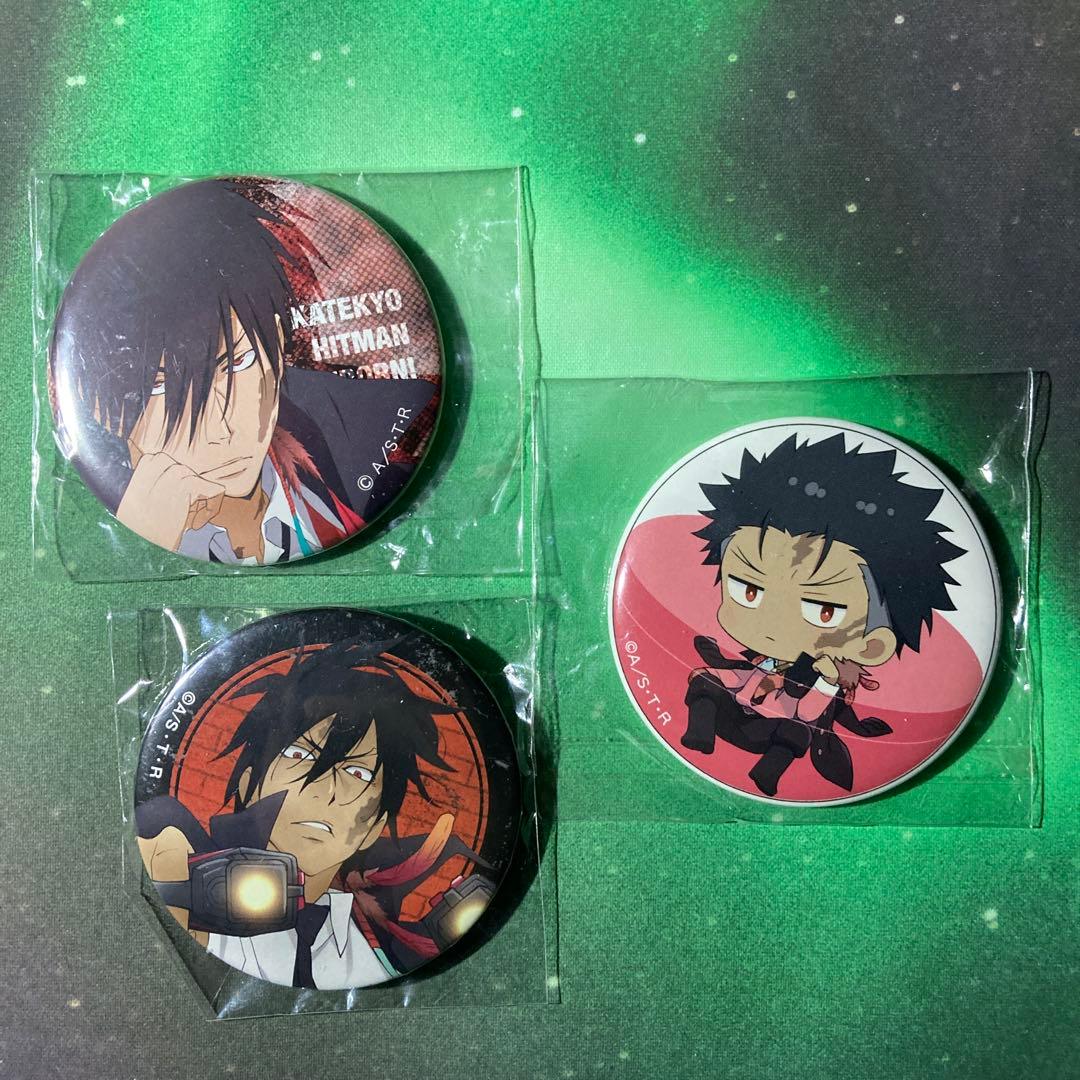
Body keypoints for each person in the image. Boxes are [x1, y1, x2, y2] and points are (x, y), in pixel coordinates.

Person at [50, 178, 435, 563]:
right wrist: (145, 520)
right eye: (161, 386)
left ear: (278, 344)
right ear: (100, 408)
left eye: (238, 362)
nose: (221, 428)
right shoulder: (111, 468)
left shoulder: (369, 446)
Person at [137, 640, 482, 989]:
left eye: (358, 773)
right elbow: (157, 820)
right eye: (300, 755)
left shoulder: (369, 955)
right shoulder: (195, 893)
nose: (325, 789)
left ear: (374, 827)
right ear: (247, 784)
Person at [681, 432, 966, 796]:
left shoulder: (819, 679)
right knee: (705, 682)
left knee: (798, 729)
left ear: (873, 645)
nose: (771, 626)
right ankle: (700, 732)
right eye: (747, 590)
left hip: (773, 733)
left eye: (823, 610)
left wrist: (829, 681)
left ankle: (769, 772)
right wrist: (711, 676)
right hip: (734, 718)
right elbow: (735, 678)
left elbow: (809, 712)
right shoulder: (760, 663)